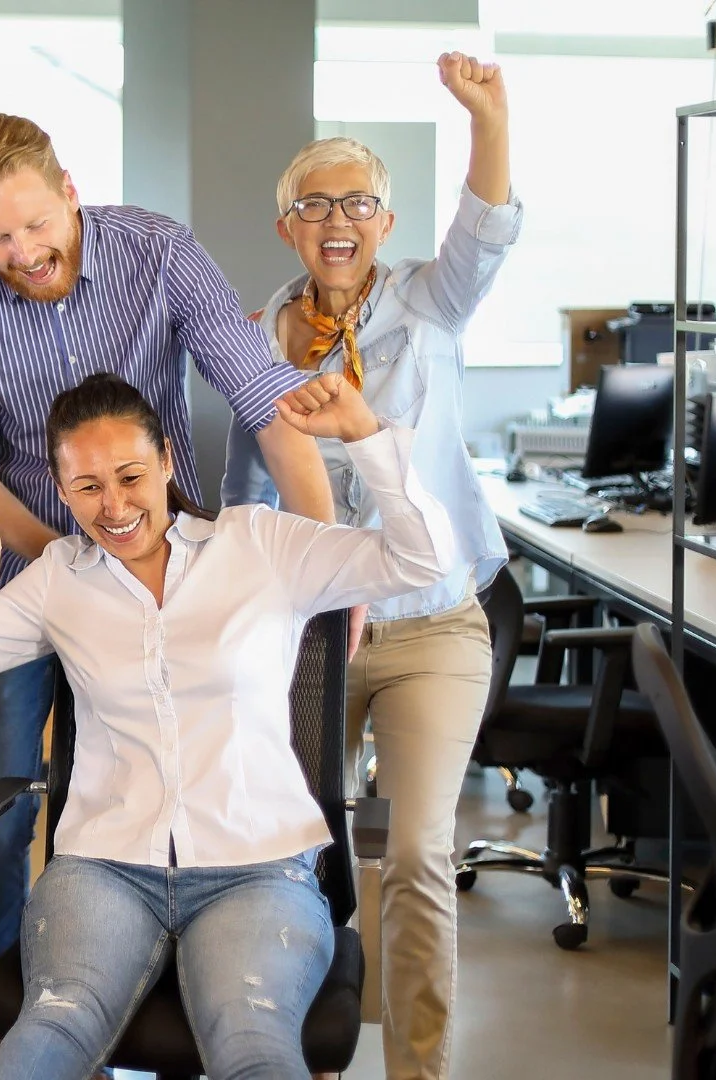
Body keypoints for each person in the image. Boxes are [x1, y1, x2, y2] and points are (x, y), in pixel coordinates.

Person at [0, 111, 335, 1076]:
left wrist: (321, 562)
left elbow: (264, 403)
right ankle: (20, 1003)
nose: (21, 253)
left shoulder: (156, 252)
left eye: (33, 225)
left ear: (68, 189)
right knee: (5, 800)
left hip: (161, 562)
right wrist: (78, 566)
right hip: (29, 567)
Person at [0, 372, 453, 1079]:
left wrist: (365, 437)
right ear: (60, 489)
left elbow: (422, 558)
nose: (115, 504)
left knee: (251, 1041)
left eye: (130, 475)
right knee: (48, 1032)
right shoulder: (60, 576)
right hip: (104, 869)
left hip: (256, 867)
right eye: (87, 485)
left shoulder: (258, 544)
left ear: (166, 459)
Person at [219, 52, 516, 1080]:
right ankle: (298, 1045)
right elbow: (246, 495)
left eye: (359, 201)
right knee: (292, 847)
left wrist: (488, 115)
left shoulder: (430, 306)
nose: (336, 217)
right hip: (313, 631)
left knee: (422, 854)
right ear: (287, 227)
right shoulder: (258, 339)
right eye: (314, 203)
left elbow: (484, 228)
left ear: (385, 223)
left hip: (432, 627)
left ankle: (420, 1070)